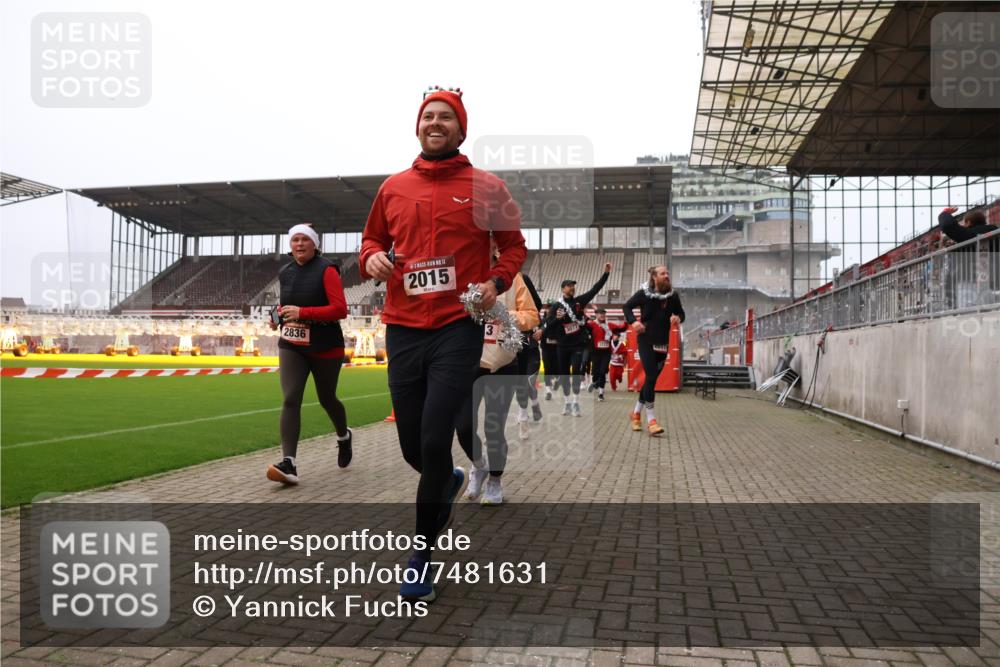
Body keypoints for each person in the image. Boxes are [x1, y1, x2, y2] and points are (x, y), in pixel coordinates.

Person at [359, 86, 526, 602]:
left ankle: (422, 557)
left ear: (461, 129)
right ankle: (451, 478)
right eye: (428, 116)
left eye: (445, 117)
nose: (435, 123)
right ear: (418, 126)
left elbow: (515, 246)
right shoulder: (392, 188)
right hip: (403, 328)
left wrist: (494, 284)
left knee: (433, 440)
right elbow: (370, 241)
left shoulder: (486, 186)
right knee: (416, 447)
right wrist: (371, 259)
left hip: (458, 326)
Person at [267, 223, 352, 484]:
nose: (300, 244)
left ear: (315, 244)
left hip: (325, 345)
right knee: (291, 398)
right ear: (290, 245)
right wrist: (277, 317)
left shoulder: (326, 270)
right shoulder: (285, 271)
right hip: (292, 344)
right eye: (295, 240)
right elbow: (286, 303)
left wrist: (304, 313)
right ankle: (289, 464)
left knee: (327, 398)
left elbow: (340, 309)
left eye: (305, 240)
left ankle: (344, 436)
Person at [457, 259, 539, 506]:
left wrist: (501, 312)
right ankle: (479, 466)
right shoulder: (461, 273)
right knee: (462, 426)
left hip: (503, 363)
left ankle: (495, 479)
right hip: (466, 363)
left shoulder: (512, 279)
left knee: (494, 428)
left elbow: (532, 316)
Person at [623, 265, 685, 436]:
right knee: (650, 377)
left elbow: (682, 313)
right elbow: (626, 307)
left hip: (662, 344)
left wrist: (677, 317)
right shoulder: (644, 294)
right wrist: (633, 322)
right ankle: (651, 420)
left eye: (667, 273)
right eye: (663, 273)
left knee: (650, 381)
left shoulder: (672, 296)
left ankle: (635, 414)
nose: (667, 275)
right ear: (654, 278)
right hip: (645, 341)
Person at [547, 264, 611, 416]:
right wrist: (557, 319)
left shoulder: (579, 302)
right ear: (563, 289)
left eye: (573, 286)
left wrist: (606, 274)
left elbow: (595, 289)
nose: (572, 288)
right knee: (564, 375)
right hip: (562, 346)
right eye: (569, 286)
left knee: (576, 372)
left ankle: (575, 402)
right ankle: (567, 402)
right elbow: (548, 326)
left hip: (577, 345)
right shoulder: (556, 306)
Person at [512, 273, 544, 439]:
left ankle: (525, 415)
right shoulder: (489, 280)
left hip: (528, 341)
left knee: (529, 380)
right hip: (507, 343)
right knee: (519, 382)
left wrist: (538, 327)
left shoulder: (522, 278)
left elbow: (537, 305)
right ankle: (527, 411)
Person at [586, 307, 626, 401]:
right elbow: (583, 327)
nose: (602, 315)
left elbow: (621, 328)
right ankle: (594, 382)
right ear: (596, 315)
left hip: (606, 352)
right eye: (600, 314)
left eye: (603, 314)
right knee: (595, 372)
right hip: (595, 352)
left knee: (603, 372)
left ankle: (601, 394)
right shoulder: (592, 324)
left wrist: (627, 320)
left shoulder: (610, 325)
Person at [537, 307, 561, 400]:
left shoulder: (559, 321)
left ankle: (558, 380)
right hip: (546, 348)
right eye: (547, 308)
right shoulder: (542, 321)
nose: (549, 310)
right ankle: (548, 391)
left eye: (551, 308)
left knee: (556, 368)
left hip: (557, 348)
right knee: (547, 367)